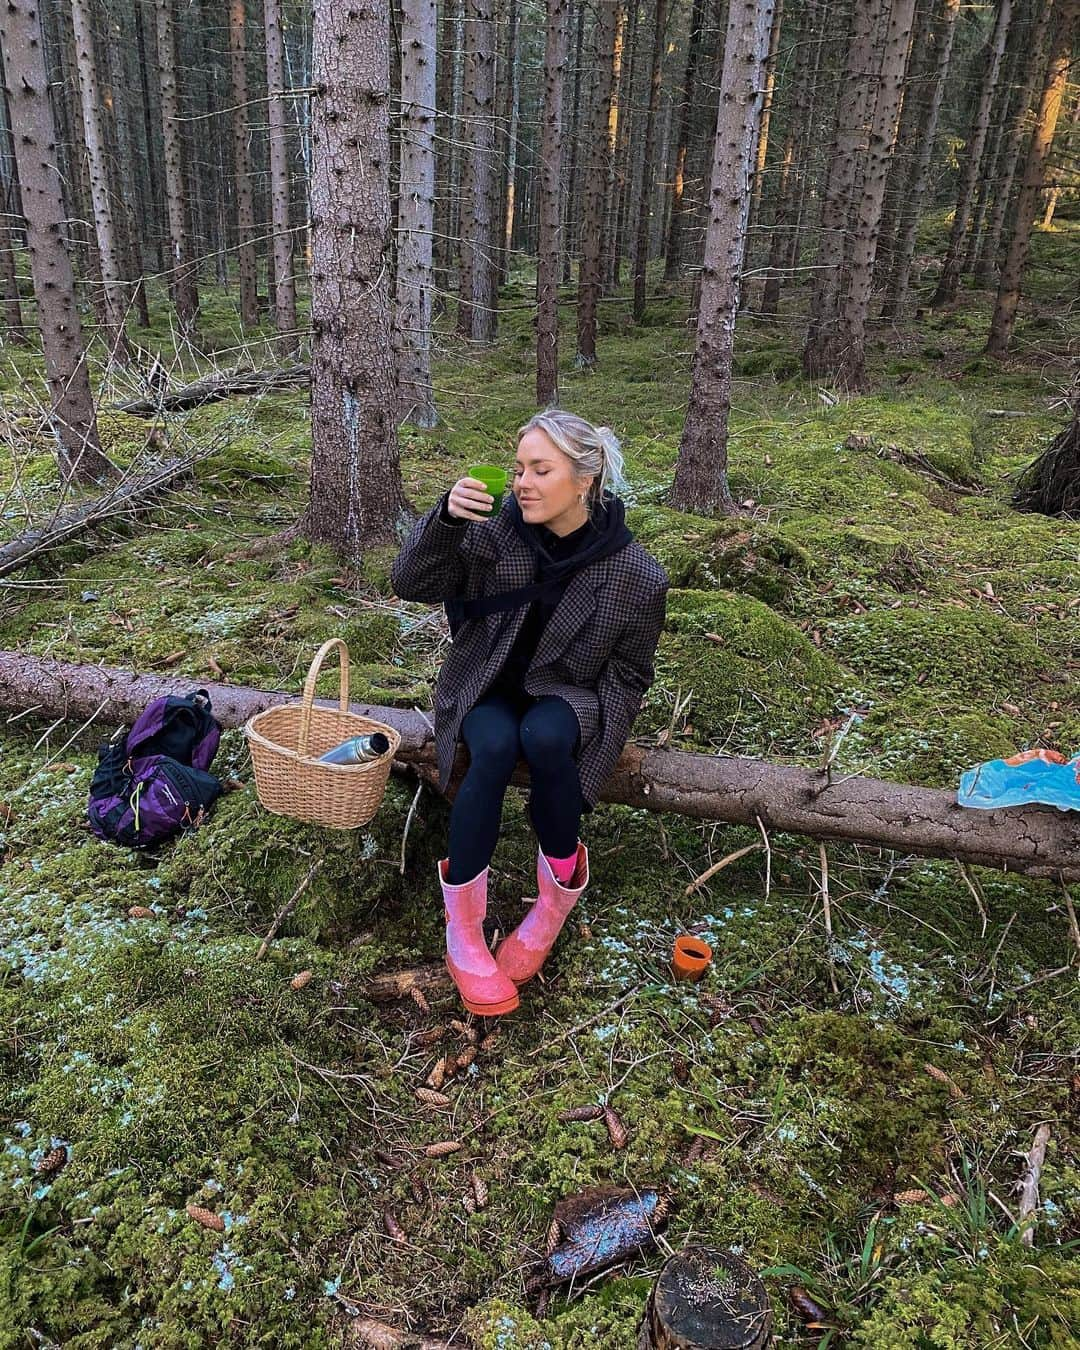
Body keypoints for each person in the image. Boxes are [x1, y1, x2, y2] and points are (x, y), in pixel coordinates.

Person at [390, 410, 669, 1017]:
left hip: (567, 694)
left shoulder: (635, 572)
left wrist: (599, 749)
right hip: (487, 683)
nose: (522, 483)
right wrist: (443, 519)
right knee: (489, 746)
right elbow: (408, 580)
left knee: (546, 738)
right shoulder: (493, 530)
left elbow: (629, 674)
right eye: (519, 469)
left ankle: (550, 908)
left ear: (586, 479)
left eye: (541, 470)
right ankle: (463, 930)